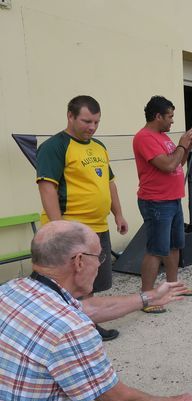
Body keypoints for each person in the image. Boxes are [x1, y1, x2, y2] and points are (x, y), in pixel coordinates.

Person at [0, 220, 192, 401]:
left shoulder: (11, 291)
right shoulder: (71, 328)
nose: (102, 263)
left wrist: (149, 297)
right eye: (99, 256)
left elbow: (90, 309)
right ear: (79, 261)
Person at [36, 95, 128, 341]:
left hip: (98, 228)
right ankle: (69, 332)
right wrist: (59, 229)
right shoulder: (54, 147)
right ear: (70, 116)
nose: (92, 127)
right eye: (87, 121)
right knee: (68, 284)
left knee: (92, 283)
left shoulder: (99, 146)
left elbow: (109, 183)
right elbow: (47, 189)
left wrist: (118, 213)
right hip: (72, 230)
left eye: (97, 122)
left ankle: (89, 327)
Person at [133, 95, 192, 312]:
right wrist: (181, 144)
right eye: (169, 116)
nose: (172, 121)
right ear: (157, 116)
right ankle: (148, 297)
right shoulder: (144, 138)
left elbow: (178, 162)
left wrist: (186, 148)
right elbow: (168, 166)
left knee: (174, 245)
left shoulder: (163, 137)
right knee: (155, 249)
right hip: (155, 201)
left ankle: (173, 287)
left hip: (172, 199)